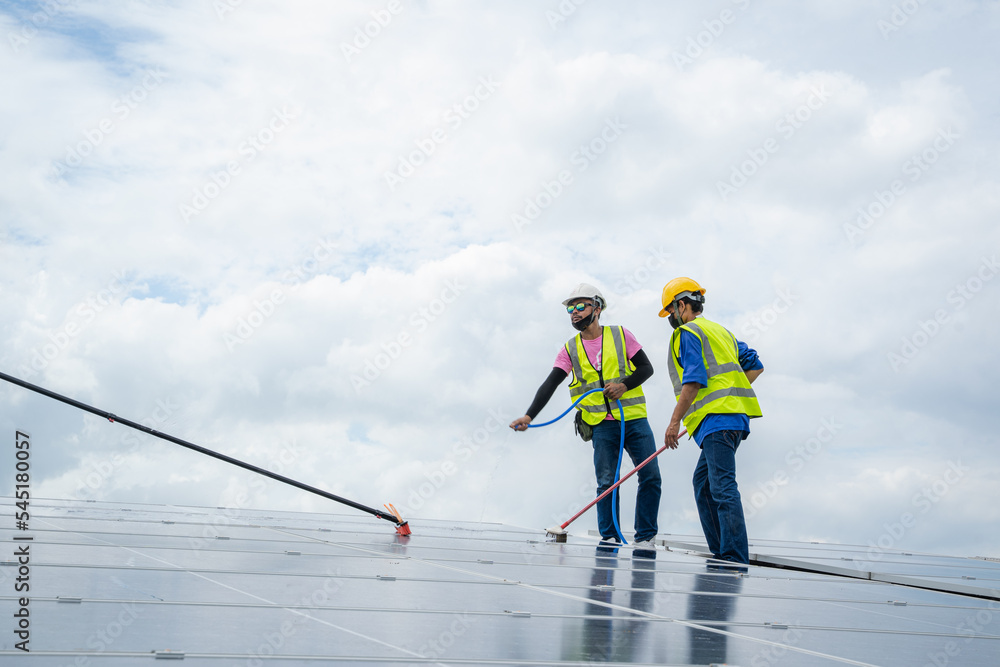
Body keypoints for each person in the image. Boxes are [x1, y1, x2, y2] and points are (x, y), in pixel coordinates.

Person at [510, 283, 661, 549]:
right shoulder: (570, 349)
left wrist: (625, 384)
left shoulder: (621, 335)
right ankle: (610, 537)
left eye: (580, 306)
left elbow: (646, 368)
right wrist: (529, 415)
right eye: (570, 308)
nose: (574, 313)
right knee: (607, 482)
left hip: (634, 420)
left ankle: (646, 537)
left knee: (650, 476)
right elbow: (550, 383)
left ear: (597, 308)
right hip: (600, 424)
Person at [659, 277, 763, 565]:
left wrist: (674, 422)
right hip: (730, 420)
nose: (670, 318)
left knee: (722, 486)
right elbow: (754, 364)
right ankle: (722, 552)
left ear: (682, 305)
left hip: (718, 421)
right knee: (704, 484)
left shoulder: (688, 333)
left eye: (670, 311)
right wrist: (729, 392)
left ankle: (733, 558)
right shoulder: (720, 331)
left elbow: (693, 381)